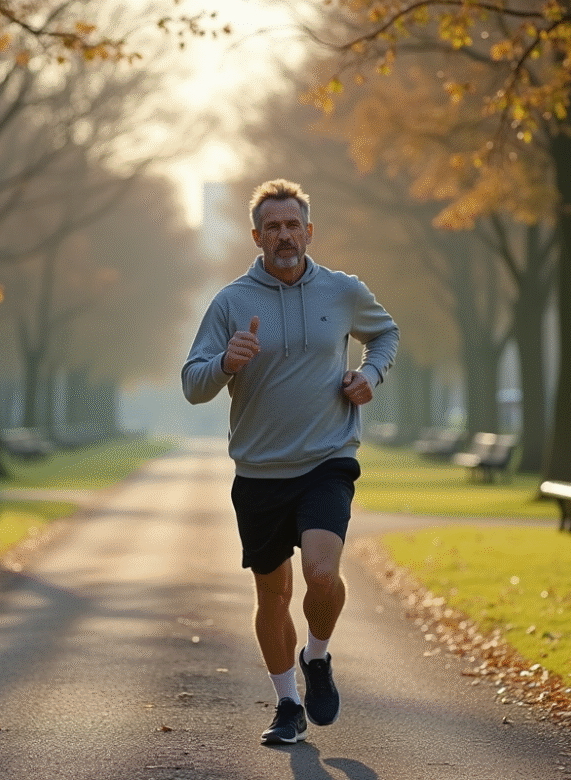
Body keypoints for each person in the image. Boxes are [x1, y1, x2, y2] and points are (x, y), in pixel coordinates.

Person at [181, 179, 399, 745]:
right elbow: (192, 384)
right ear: (256, 237)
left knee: (322, 575)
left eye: (292, 225)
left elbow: (385, 334)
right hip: (259, 471)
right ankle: (287, 703)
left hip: (328, 459)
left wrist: (369, 375)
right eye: (272, 227)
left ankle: (317, 656)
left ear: (309, 231)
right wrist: (225, 363)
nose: (284, 235)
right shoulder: (231, 303)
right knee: (273, 596)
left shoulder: (343, 290)